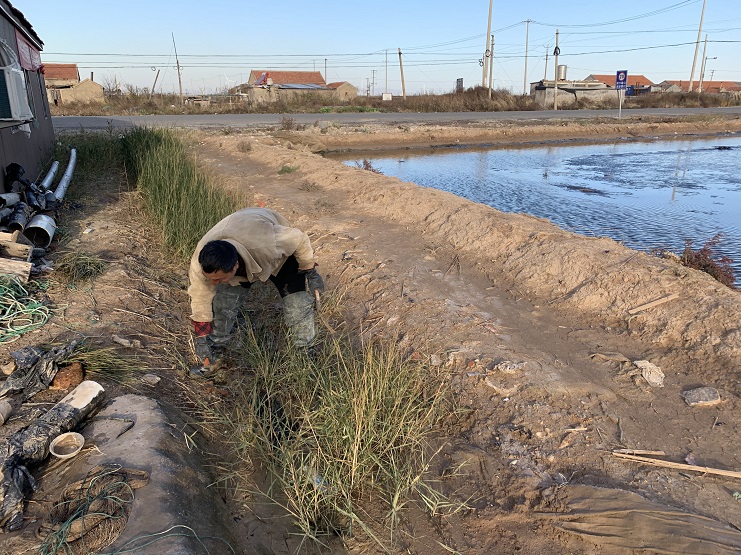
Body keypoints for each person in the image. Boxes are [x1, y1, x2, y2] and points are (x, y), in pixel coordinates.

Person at [187, 207, 324, 376]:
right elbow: (200, 297)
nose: (214, 283)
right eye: (212, 279)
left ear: (235, 265)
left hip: (274, 255)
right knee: (223, 307)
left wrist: (309, 270)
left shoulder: (269, 241)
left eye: (219, 279)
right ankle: (215, 357)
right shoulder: (201, 262)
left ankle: (307, 361)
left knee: (298, 307)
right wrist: (202, 337)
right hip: (239, 238)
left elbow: (299, 239)